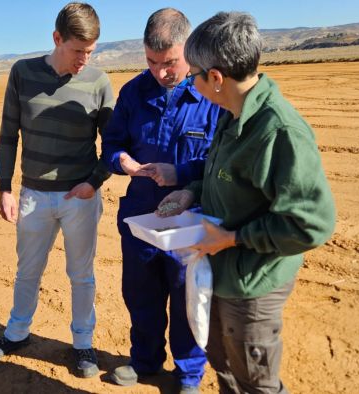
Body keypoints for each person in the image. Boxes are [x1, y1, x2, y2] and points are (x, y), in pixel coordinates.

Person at [158, 12, 336, 393]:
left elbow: (311, 224)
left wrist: (231, 239)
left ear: (216, 78)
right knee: (225, 366)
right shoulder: (232, 112)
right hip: (224, 270)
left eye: (194, 75)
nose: (191, 82)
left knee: (255, 382)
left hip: (253, 283)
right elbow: (217, 170)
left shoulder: (279, 132)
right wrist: (192, 191)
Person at [0, 2, 114, 378]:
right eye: (77, 51)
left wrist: (95, 181)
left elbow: (113, 143)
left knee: (81, 273)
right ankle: (17, 332)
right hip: (33, 195)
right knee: (28, 270)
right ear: (57, 38)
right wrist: (4, 187)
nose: (84, 60)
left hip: (80, 198)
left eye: (90, 52)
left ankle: (83, 343)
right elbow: (8, 134)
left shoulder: (99, 82)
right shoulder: (22, 73)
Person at [101, 8, 222, 393]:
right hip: (140, 215)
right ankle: (145, 361)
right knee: (141, 293)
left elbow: (223, 161)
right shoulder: (134, 92)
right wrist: (122, 161)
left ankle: (188, 374)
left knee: (188, 299)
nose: (160, 72)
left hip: (191, 218)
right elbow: (112, 144)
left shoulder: (210, 95)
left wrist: (180, 174)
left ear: (188, 50)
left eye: (169, 62)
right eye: (152, 62)